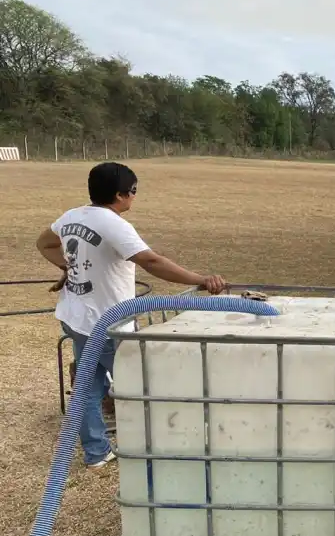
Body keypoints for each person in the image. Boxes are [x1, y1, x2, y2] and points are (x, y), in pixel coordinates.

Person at [35, 162, 227, 469]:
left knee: (88, 385)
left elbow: (44, 242)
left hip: (77, 319)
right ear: (121, 194)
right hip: (110, 324)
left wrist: (67, 267)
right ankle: (168, 448)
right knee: (149, 386)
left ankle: (97, 452)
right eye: (134, 191)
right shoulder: (115, 225)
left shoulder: (71, 216)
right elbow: (152, 262)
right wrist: (201, 280)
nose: (134, 198)